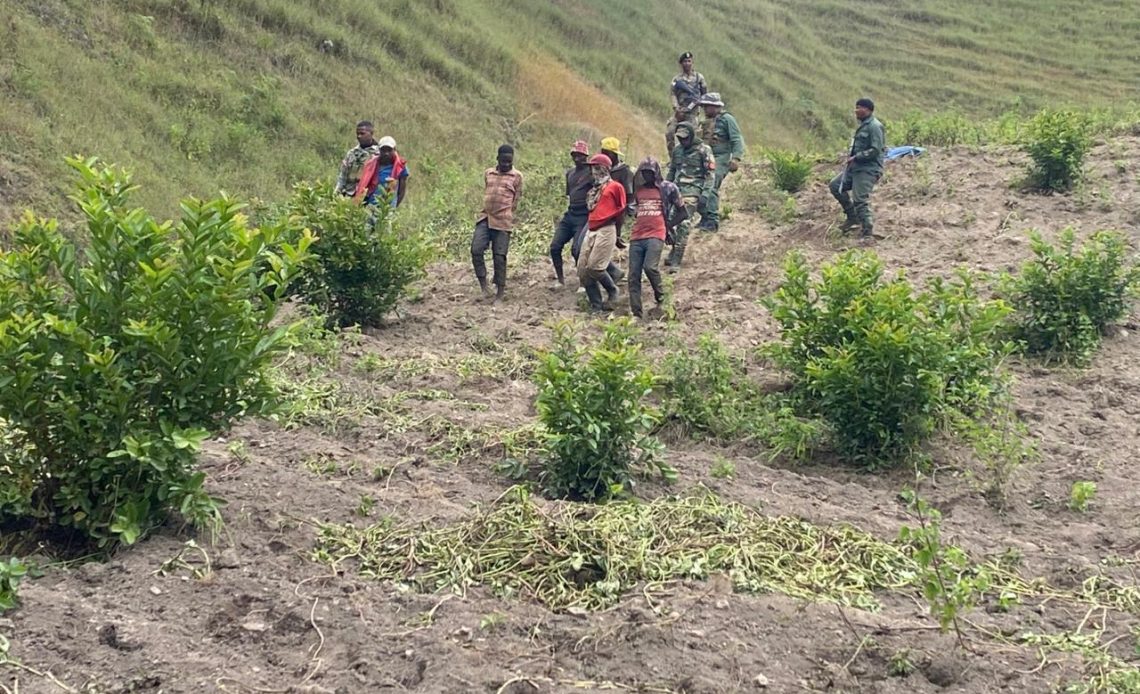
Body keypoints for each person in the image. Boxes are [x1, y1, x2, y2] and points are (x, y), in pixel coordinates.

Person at [628, 157, 685, 318]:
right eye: (644, 173)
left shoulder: (668, 188)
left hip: (656, 233)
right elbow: (632, 209)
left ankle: (661, 298)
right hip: (637, 235)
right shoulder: (638, 191)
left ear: (656, 173)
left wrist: (668, 226)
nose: (647, 176)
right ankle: (636, 313)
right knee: (633, 275)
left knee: (650, 267)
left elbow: (683, 212)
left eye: (650, 173)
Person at [472, 145, 523, 302]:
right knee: (476, 250)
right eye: (503, 161)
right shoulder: (488, 173)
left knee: (499, 257)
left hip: (503, 221)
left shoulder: (517, 177)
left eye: (509, 161)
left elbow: (516, 200)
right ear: (497, 159)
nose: (506, 164)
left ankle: (500, 292)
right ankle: (484, 285)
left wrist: (505, 212)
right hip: (485, 218)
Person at [830, 97, 885, 239]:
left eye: (860, 107)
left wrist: (857, 156)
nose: (856, 110)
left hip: (868, 169)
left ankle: (867, 231)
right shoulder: (863, 125)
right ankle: (852, 217)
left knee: (860, 199)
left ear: (868, 110)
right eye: (856, 107)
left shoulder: (874, 126)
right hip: (855, 168)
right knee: (835, 186)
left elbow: (875, 149)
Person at [578, 153, 627, 313]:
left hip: (607, 227)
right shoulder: (594, 190)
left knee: (596, 267)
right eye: (593, 168)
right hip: (592, 228)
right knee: (583, 269)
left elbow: (621, 210)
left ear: (605, 169)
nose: (594, 172)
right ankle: (596, 305)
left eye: (597, 168)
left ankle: (612, 290)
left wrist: (618, 234)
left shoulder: (615, 187)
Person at [665, 123, 715, 271]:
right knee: (668, 222)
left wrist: (705, 194)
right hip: (676, 191)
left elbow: (710, 175)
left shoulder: (704, 150)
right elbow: (672, 171)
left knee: (684, 225)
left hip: (693, 192)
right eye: (680, 138)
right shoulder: (677, 151)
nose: (682, 141)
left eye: (685, 138)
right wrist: (665, 189)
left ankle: (677, 260)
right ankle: (674, 249)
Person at [696, 93, 744, 231]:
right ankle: (704, 216)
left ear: (716, 106)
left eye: (707, 106)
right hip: (705, 157)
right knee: (697, 186)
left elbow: (736, 139)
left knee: (711, 185)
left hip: (720, 157)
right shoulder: (703, 122)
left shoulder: (727, 119)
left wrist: (736, 158)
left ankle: (712, 221)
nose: (705, 109)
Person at [548, 140, 593, 289]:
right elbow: (570, 194)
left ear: (586, 156)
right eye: (574, 155)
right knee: (555, 246)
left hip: (584, 215)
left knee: (578, 249)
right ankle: (561, 280)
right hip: (571, 214)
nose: (577, 158)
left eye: (580, 156)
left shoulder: (591, 172)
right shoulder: (570, 173)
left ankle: (583, 282)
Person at [664, 52, 708, 154]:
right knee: (670, 132)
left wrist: (698, 102)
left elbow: (705, 95)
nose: (687, 63)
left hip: (692, 113)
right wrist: (676, 108)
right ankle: (673, 158)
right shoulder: (677, 79)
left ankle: (691, 156)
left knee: (692, 136)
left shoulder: (699, 78)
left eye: (689, 61)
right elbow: (673, 94)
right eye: (685, 61)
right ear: (681, 64)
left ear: (692, 63)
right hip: (680, 111)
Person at [355, 136, 409, 209]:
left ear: (394, 150)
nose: (386, 153)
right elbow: (363, 184)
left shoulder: (400, 167)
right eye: (383, 150)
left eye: (389, 150)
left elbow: (401, 191)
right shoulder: (371, 164)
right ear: (379, 150)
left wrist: (394, 207)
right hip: (371, 205)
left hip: (387, 208)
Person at [335, 121, 381, 197]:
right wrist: (336, 193)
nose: (359, 136)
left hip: (367, 196)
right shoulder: (352, 153)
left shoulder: (378, 153)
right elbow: (343, 176)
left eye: (362, 133)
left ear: (371, 133)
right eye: (357, 134)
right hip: (348, 194)